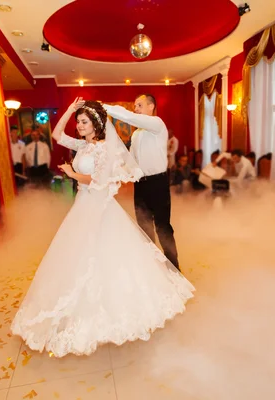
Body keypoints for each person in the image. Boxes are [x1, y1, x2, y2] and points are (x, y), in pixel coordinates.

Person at [10, 98, 194, 358]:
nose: (79, 126)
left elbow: (100, 180)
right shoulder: (83, 146)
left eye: (84, 122)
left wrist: (72, 175)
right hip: (82, 205)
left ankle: (154, 283)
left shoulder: (105, 147)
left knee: (109, 255)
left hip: (100, 206)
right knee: (79, 257)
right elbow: (56, 135)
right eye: (79, 122)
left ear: (96, 124)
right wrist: (70, 110)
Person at [103, 94, 180, 270]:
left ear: (151, 106)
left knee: (163, 227)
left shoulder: (157, 124)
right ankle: (152, 269)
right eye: (135, 106)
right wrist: (115, 172)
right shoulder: (137, 133)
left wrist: (105, 107)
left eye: (139, 105)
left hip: (158, 183)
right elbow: (131, 160)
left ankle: (174, 269)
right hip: (140, 184)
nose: (135, 109)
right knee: (144, 228)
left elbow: (130, 117)